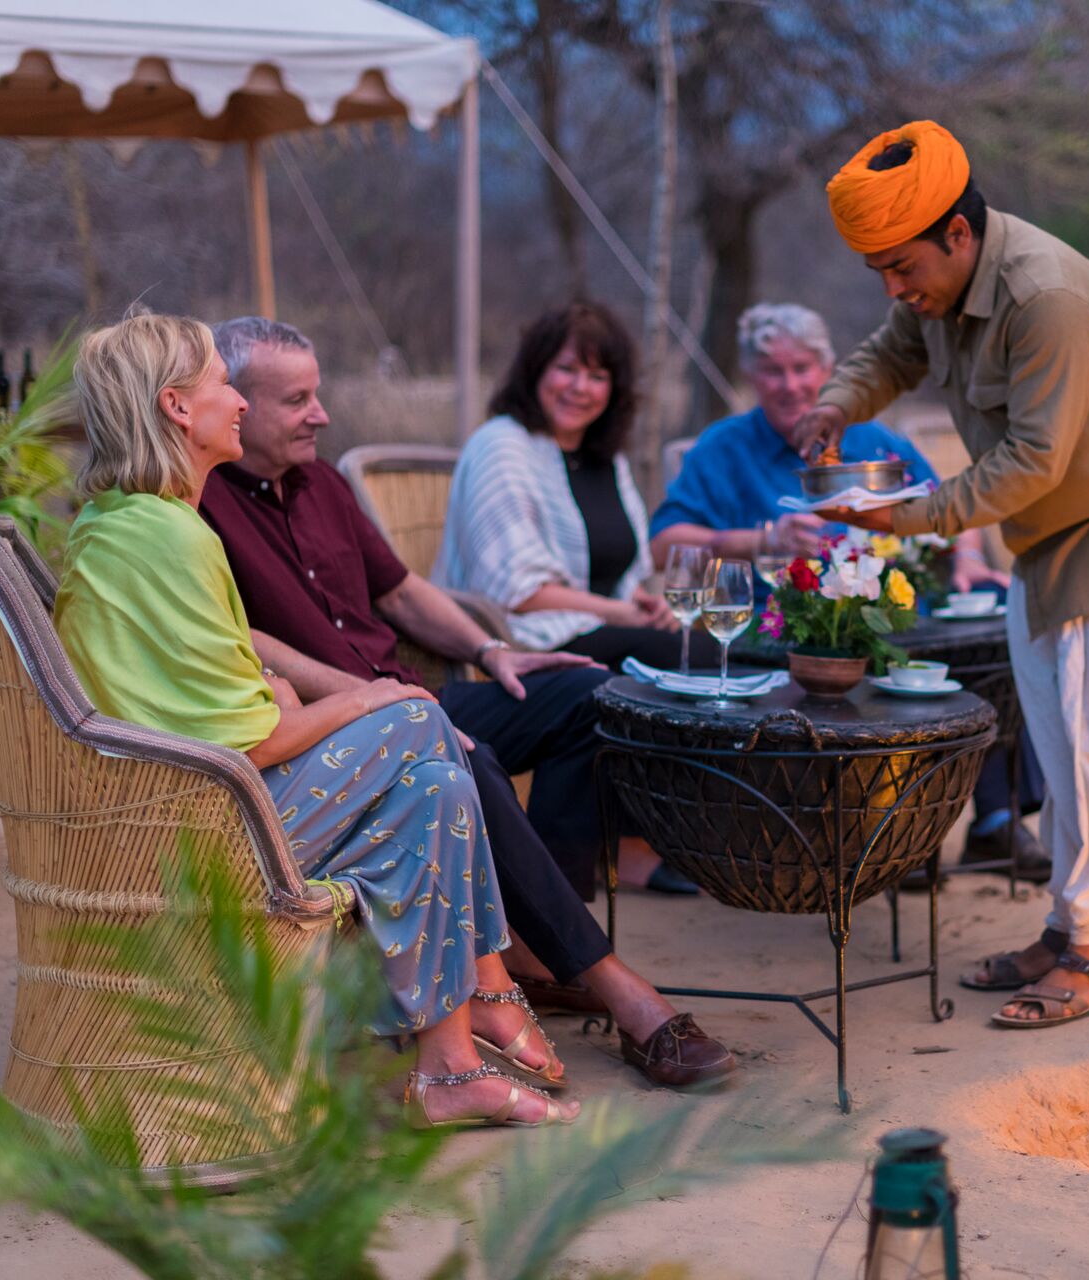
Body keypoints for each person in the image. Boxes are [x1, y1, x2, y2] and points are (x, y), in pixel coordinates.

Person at [53, 309, 576, 1128]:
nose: (233, 399)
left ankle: (450, 1070)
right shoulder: (163, 536)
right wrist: (367, 696)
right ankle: (488, 987)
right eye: (222, 384)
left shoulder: (140, 523)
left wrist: (294, 692)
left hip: (191, 805)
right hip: (193, 833)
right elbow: (247, 741)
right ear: (177, 408)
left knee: (437, 782)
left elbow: (220, 691)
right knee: (420, 720)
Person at [195, 316, 736, 1089]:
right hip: (329, 736)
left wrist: (492, 651)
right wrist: (376, 702)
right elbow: (242, 639)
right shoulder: (202, 500)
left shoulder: (323, 482)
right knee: (445, 744)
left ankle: (547, 951)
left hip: (410, 697)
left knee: (587, 691)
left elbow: (403, 592)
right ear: (238, 406)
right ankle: (624, 994)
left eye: (317, 395)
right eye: (298, 401)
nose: (321, 414)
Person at [797, 121, 1089, 1032]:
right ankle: (1068, 928)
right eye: (881, 275)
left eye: (903, 268)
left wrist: (899, 516)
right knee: (1064, 756)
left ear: (959, 232)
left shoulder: (1046, 295)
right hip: (1046, 544)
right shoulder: (934, 284)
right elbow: (890, 354)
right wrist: (836, 403)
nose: (896, 289)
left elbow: (1033, 460)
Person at [649, 301, 1048, 880]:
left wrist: (963, 558)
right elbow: (666, 545)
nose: (791, 384)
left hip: (888, 619)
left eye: (804, 368)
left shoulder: (870, 439)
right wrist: (762, 537)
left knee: (995, 631)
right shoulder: (722, 446)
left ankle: (994, 821)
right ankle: (892, 833)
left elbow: (951, 506)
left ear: (830, 369)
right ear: (750, 377)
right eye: (772, 370)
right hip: (774, 628)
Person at [434, 302, 717, 671]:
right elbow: (517, 593)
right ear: (535, 371)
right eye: (566, 369)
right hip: (520, 639)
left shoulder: (607, 458)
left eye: (598, 376)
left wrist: (646, 606)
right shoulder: (502, 446)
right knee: (694, 657)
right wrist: (620, 613)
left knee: (712, 652)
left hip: (595, 629)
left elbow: (617, 574)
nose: (580, 388)